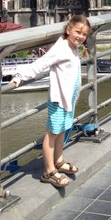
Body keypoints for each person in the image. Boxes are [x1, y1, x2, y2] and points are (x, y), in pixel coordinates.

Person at [11, 14, 90, 188]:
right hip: (58, 99)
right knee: (52, 134)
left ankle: (59, 161)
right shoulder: (61, 48)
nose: (81, 36)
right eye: (78, 32)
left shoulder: (73, 47)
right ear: (68, 29)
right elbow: (41, 63)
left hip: (68, 100)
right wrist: (19, 76)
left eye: (84, 34)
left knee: (62, 130)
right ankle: (49, 170)